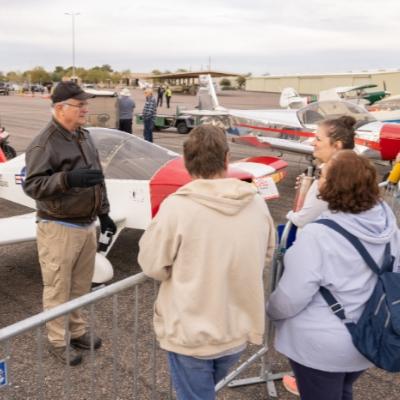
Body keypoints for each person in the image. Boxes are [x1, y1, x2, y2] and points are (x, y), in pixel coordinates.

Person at [138, 125, 275, 400]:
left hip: (192, 335)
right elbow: (267, 253)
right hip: (237, 329)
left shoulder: (177, 207)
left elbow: (152, 264)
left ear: (187, 163)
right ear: (227, 158)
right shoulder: (256, 203)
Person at [267, 150, 400, 400]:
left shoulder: (319, 235)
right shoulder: (388, 224)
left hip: (322, 347)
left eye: (323, 175)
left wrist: (270, 311)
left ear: (334, 186)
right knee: (343, 390)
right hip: (368, 336)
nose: (319, 180)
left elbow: (291, 296)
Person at [23, 81, 116, 366]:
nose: (86, 109)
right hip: (58, 227)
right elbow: (33, 185)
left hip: (86, 225)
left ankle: (76, 331)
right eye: (80, 105)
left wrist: (104, 212)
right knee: (57, 287)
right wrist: (67, 180)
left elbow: (97, 178)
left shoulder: (83, 136)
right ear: (61, 108)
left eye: (85, 104)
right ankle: (57, 340)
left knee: (78, 286)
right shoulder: (44, 143)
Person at [286, 116, 356, 229]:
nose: (312, 143)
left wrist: (290, 215)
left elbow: (303, 220)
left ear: (337, 145)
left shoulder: (331, 177)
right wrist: (309, 191)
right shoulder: (355, 170)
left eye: (318, 139)